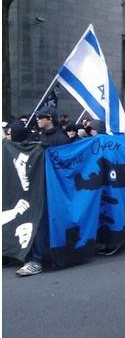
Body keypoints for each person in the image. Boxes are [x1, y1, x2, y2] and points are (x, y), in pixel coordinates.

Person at [16, 106, 69, 276]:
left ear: (50, 118)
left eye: (41, 117)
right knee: (33, 221)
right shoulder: (37, 136)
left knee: (41, 222)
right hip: (34, 186)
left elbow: (64, 163)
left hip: (50, 188)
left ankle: (36, 261)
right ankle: (30, 256)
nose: (37, 119)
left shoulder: (61, 138)